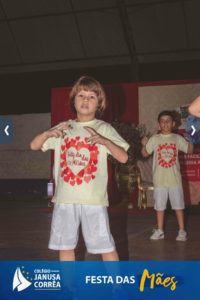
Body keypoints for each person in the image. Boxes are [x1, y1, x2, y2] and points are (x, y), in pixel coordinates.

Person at [30, 75, 129, 261]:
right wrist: (46, 133)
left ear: (99, 103)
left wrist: (105, 142)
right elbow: (34, 146)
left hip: (94, 200)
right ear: (73, 100)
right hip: (65, 199)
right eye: (81, 95)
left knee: (105, 246)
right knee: (65, 247)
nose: (86, 99)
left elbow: (123, 157)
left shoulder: (103, 128)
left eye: (92, 96)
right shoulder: (64, 127)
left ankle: (118, 288)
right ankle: (69, 288)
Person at [141, 110, 193, 241]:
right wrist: (143, 145)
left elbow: (189, 150)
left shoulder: (177, 139)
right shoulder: (155, 139)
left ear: (173, 124)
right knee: (160, 207)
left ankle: (182, 231)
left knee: (179, 206)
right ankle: (160, 230)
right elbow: (145, 154)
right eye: (162, 121)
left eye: (168, 121)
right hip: (159, 180)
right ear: (159, 125)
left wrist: (192, 138)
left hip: (175, 180)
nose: (165, 123)